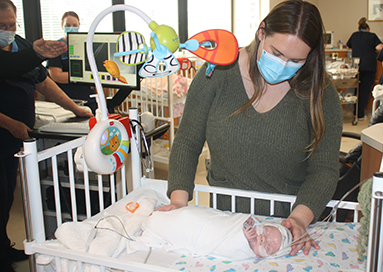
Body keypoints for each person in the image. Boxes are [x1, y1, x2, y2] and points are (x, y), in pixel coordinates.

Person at [157, 0, 343, 258]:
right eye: (276, 53)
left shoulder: (320, 93)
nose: (283, 65)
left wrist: (299, 219)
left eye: (296, 60)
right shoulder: (218, 71)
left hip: (285, 223)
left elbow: (324, 169)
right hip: (224, 218)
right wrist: (178, 200)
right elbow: (189, 139)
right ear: (261, 32)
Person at [0, 1, 93, 271]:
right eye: (1, 26)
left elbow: (44, 83)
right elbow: (8, 67)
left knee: (6, 195)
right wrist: (9, 124)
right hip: (6, 130)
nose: (7, 30)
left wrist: (76, 108)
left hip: (16, 137)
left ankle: (3, 248)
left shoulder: (20, 45)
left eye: (11, 24)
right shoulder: (17, 55)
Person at [132, 206, 292, 260]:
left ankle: (154, 223)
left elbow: (225, 248)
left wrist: (243, 239)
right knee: (188, 215)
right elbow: (229, 221)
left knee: (179, 226)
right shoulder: (253, 229)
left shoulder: (244, 252)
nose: (263, 238)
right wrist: (245, 221)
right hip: (206, 222)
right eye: (268, 231)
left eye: (268, 246)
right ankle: (158, 217)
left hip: (201, 235)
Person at [47, 11, 97, 113]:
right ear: (62, 26)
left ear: (79, 25)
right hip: (66, 100)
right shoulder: (56, 47)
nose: (71, 27)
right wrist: (85, 76)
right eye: (67, 25)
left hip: (89, 98)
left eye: (74, 25)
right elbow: (56, 76)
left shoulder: (87, 46)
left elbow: (96, 71)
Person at [346, 17, 383, 120]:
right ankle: (360, 114)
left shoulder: (354, 35)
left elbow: (348, 46)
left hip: (356, 67)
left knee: (357, 89)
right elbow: (380, 47)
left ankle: (355, 112)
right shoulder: (372, 36)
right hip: (368, 67)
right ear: (368, 28)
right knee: (364, 90)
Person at [0, 38, 67, 78]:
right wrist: (35, 54)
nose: (8, 30)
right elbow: (8, 65)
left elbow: (43, 82)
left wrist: (38, 54)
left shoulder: (22, 43)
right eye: (2, 25)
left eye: (12, 25)